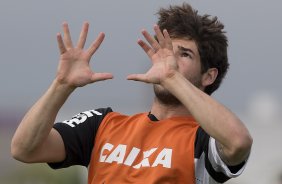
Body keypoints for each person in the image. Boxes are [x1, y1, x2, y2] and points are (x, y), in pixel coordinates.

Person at [11, 3, 252, 184]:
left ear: (208, 76)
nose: (170, 61)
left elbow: (238, 141)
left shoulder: (203, 141)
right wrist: (61, 85)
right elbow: (24, 149)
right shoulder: (102, 124)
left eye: (184, 54)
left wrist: (172, 78)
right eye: (165, 51)